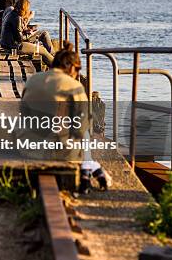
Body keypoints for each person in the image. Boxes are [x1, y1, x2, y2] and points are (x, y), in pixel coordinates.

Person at [21, 41, 111, 190]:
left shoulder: (33, 80)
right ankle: (90, 168)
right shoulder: (74, 86)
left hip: (28, 148)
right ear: (71, 67)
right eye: (78, 69)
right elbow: (83, 126)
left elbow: (23, 113)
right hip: (57, 153)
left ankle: (91, 168)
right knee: (85, 132)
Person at [0, 0, 54, 66]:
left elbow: (16, 31)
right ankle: (58, 67)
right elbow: (20, 39)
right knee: (43, 50)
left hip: (8, 44)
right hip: (14, 47)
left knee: (44, 33)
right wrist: (31, 33)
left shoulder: (13, 13)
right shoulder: (17, 18)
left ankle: (53, 57)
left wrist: (27, 31)